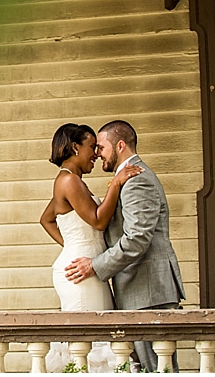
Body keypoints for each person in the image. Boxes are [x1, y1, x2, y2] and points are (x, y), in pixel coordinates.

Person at [64, 120, 186, 373]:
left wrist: (95, 266)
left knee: (157, 370)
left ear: (120, 145)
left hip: (149, 291)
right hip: (138, 291)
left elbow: (137, 238)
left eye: (101, 147)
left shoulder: (137, 179)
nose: (98, 153)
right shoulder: (126, 178)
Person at [39, 123, 142, 372]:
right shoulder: (69, 181)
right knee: (90, 345)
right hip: (81, 275)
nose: (96, 153)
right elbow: (98, 220)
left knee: (101, 341)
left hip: (89, 270)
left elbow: (46, 218)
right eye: (91, 147)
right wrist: (115, 184)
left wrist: (74, 244)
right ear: (75, 147)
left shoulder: (70, 181)